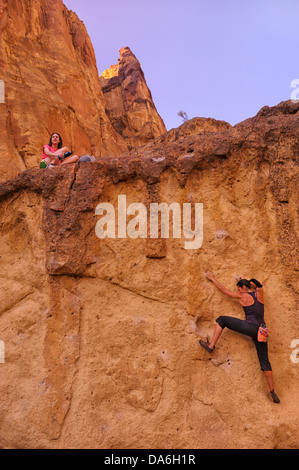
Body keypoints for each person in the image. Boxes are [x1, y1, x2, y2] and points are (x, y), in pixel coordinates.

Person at [199, 271, 280, 404]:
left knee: (222, 320)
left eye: (239, 288)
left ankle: (211, 346)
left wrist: (212, 278)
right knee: (265, 363)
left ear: (243, 288)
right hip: (262, 332)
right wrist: (246, 280)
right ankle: (273, 392)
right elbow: (258, 285)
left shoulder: (242, 296)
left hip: (251, 327)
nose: (238, 291)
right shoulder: (259, 293)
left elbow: (223, 289)